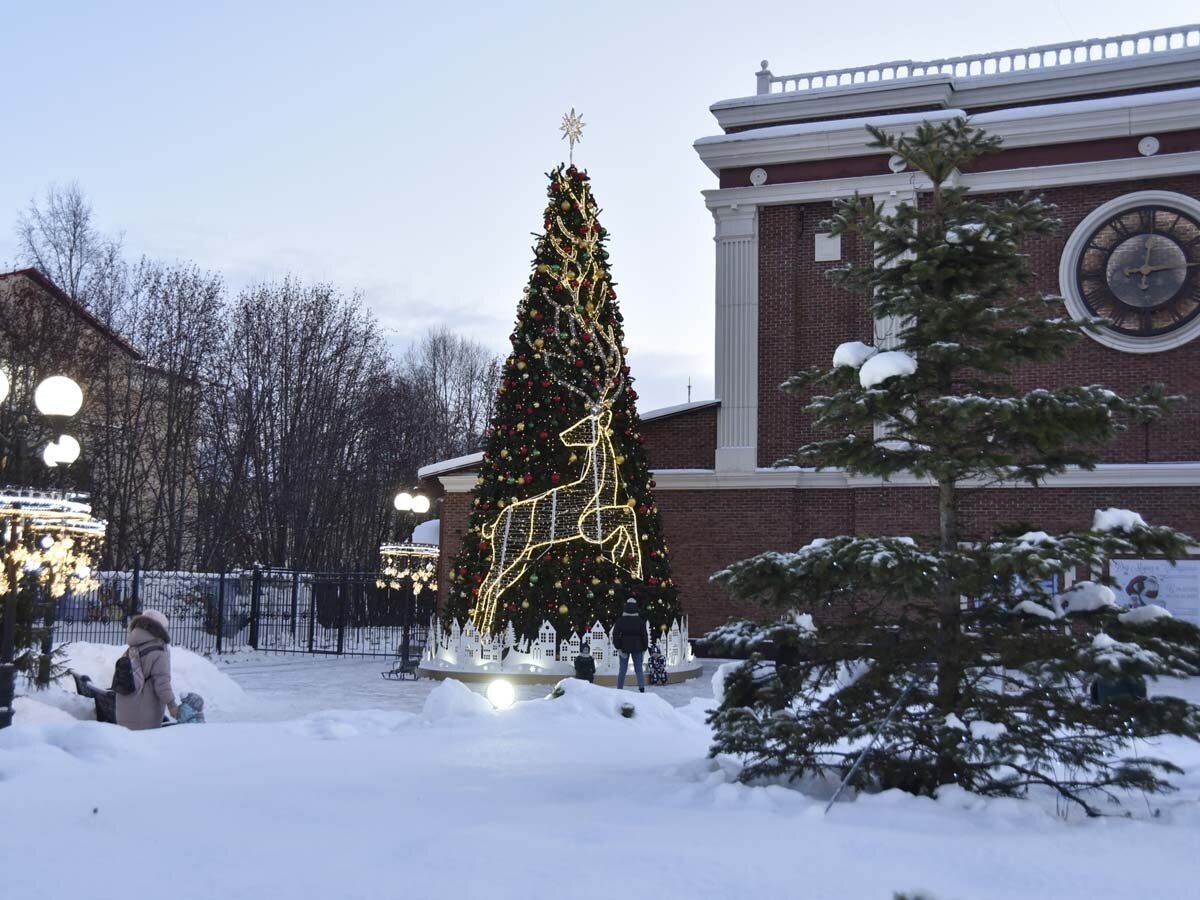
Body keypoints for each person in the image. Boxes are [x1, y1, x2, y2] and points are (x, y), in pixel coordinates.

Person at [115, 609, 179, 730]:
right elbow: (162, 683)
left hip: (123, 710)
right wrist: (172, 705)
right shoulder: (159, 650)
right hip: (145, 715)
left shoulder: (132, 646)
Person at [612, 597, 648, 692]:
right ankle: (641, 688)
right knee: (639, 670)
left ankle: (619, 688)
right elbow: (644, 635)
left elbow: (615, 635)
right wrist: (644, 647)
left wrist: (618, 647)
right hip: (638, 647)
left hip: (624, 647)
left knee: (622, 670)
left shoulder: (620, 620)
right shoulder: (640, 621)